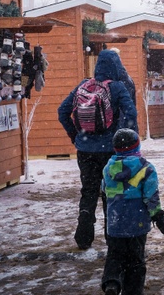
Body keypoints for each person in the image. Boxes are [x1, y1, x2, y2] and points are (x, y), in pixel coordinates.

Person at [58, 49, 138, 250]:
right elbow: (131, 113)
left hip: (85, 150)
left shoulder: (83, 86)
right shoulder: (118, 88)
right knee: (112, 192)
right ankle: (112, 236)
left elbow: (62, 111)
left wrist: (75, 135)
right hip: (110, 151)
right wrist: (121, 138)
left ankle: (83, 236)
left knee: (89, 191)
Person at [100, 129, 164, 295]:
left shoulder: (108, 167)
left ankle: (112, 283)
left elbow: (104, 191)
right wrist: (159, 217)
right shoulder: (145, 168)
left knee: (114, 255)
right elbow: (151, 196)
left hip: (115, 221)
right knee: (135, 261)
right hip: (136, 222)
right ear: (137, 146)